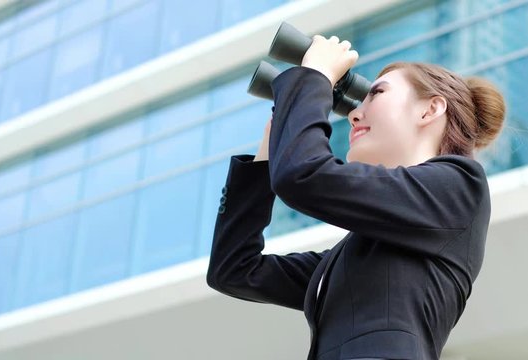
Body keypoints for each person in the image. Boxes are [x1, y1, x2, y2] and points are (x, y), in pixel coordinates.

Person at [207, 34, 505, 360]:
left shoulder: (460, 186)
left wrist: (316, 78)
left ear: (430, 109)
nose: (353, 115)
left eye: (375, 95)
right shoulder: (354, 255)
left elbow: (303, 175)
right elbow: (235, 269)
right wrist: (274, 140)